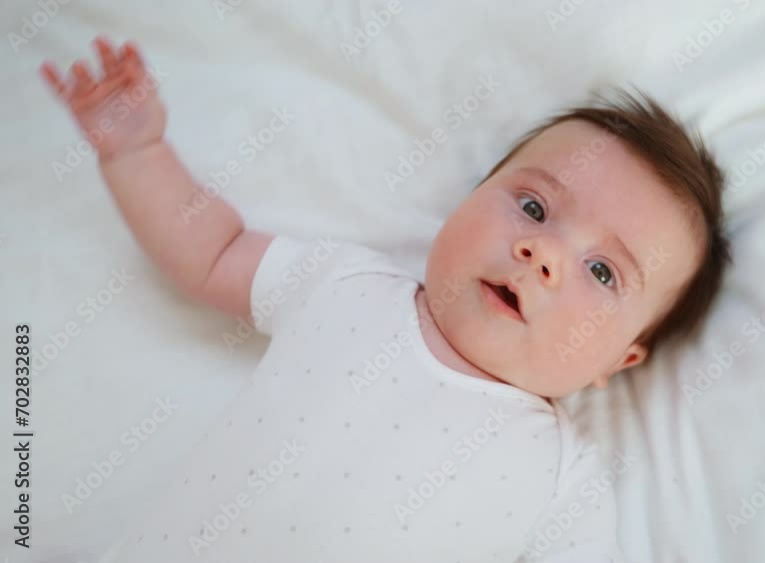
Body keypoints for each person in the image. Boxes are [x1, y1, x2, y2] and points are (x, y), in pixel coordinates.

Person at [41, 35, 730, 563]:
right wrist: (138, 153)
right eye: (532, 204)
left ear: (620, 358)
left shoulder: (563, 478)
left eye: (604, 272)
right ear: (469, 198)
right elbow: (214, 252)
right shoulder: (345, 287)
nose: (543, 254)